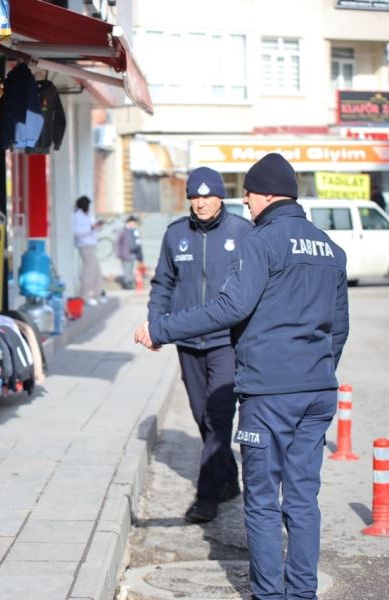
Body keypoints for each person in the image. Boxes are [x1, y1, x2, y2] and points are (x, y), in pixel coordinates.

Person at [135, 153, 349, 600]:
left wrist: (161, 329)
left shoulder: (260, 240)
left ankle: (270, 594)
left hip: (269, 394)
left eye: (248, 195)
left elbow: (230, 308)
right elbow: (339, 327)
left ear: (267, 194)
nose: (245, 204)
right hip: (317, 393)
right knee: (304, 500)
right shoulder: (329, 247)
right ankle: (302, 593)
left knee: (264, 501)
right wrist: (316, 369)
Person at [148, 167, 253, 523]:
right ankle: (229, 479)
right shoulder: (175, 234)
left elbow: (256, 286)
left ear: (221, 197)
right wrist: (155, 326)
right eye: (195, 197)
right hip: (188, 341)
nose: (201, 203)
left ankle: (206, 497)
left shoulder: (242, 232)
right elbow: (162, 283)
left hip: (227, 341)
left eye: (207, 196)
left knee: (218, 416)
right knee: (200, 415)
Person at [72, 196, 106, 306]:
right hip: (85, 246)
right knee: (89, 272)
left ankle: (97, 295)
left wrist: (98, 226)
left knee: (97, 271)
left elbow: (94, 229)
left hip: (92, 245)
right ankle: (84, 296)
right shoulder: (76, 216)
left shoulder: (89, 215)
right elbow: (77, 232)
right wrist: (91, 228)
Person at [115, 215, 144, 289]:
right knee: (127, 270)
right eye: (133, 223)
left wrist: (139, 256)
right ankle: (127, 284)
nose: (135, 224)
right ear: (130, 222)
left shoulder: (134, 231)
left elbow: (137, 243)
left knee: (130, 269)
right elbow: (117, 242)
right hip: (125, 254)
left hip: (132, 254)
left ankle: (128, 283)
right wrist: (118, 253)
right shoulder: (123, 230)